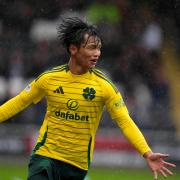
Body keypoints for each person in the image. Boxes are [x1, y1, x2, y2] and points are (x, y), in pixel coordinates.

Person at [0, 17, 176, 180]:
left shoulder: (105, 86)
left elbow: (125, 121)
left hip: (77, 165)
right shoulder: (49, 79)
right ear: (73, 49)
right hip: (45, 156)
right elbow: (19, 102)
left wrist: (147, 152)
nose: (97, 53)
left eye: (99, 48)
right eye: (92, 47)